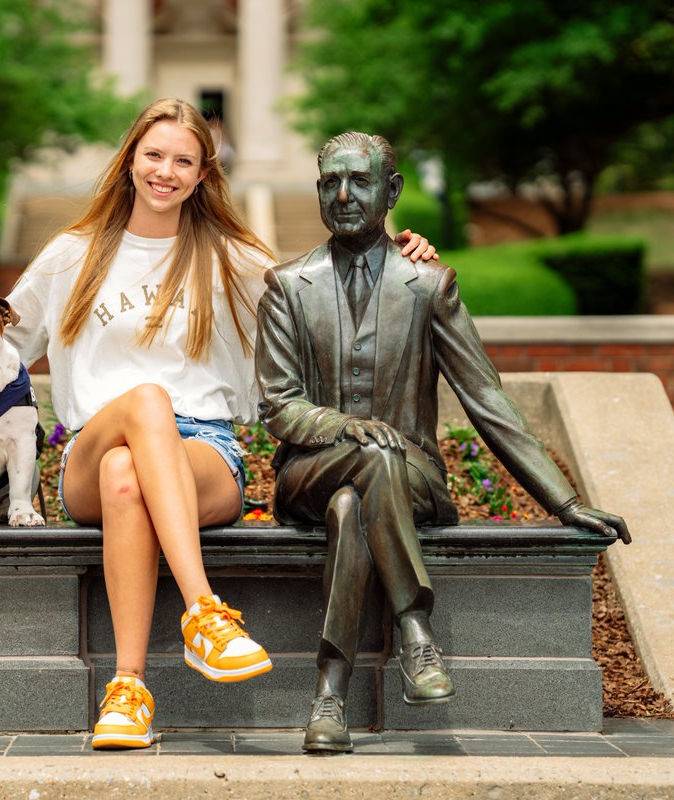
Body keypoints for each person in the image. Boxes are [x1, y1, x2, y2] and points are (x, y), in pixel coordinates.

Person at [0, 100, 437, 750]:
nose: (166, 171)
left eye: (184, 160)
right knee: (140, 411)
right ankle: (203, 612)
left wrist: (401, 252)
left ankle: (127, 692)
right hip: (92, 447)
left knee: (130, 478)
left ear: (204, 174)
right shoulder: (74, 255)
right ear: (130, 161)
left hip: (204, 451)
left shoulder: (232, 257)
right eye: (154, 155)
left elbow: (333, 290)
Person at [255, 131, 631, 754]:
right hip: (310, 472)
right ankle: (413, 626)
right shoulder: (288, 286)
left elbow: (487, 400)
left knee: (356, 502)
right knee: (363, 465)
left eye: (359, 181)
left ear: (391, 190)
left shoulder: (429, 286)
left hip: (413, 477)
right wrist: (346, 427)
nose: (343, 195)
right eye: (329, 183)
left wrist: (565, 503)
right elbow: (279, 404)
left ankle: (329, 694)